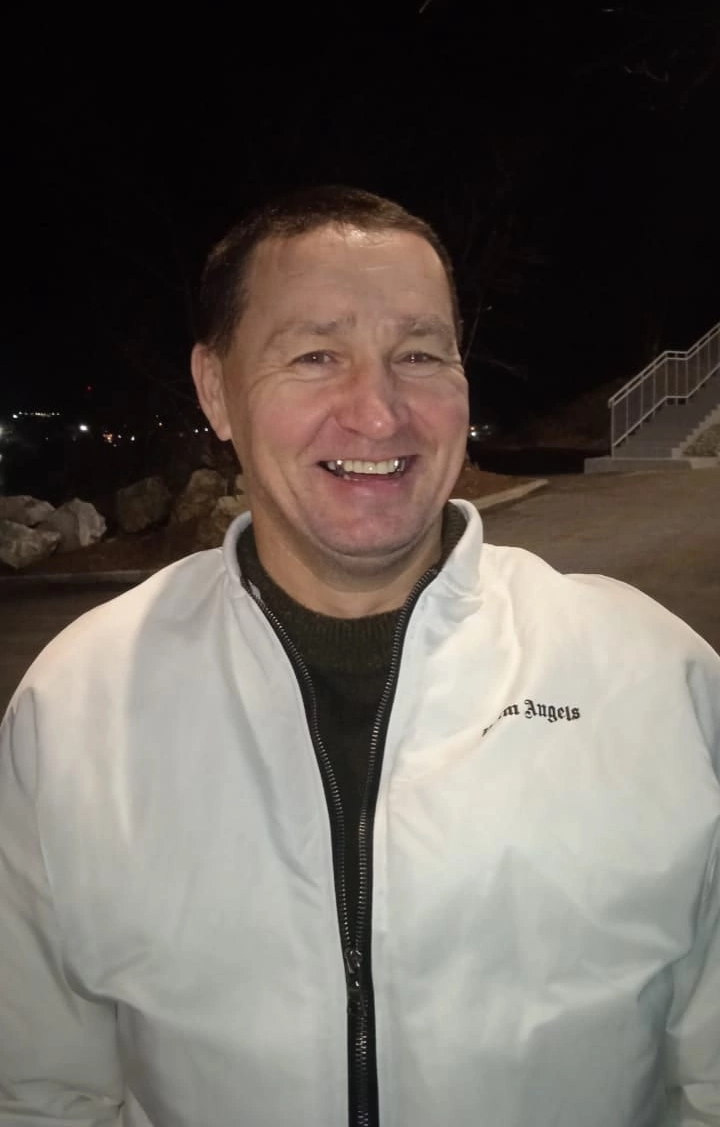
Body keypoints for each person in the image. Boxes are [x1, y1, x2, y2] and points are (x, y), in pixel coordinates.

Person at [1, 185, 718, 1127]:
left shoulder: (651, 678)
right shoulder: (78, 703)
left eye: (419, 354)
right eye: (315, 356)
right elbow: (40, 1089)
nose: (379, 414)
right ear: (216, 389)